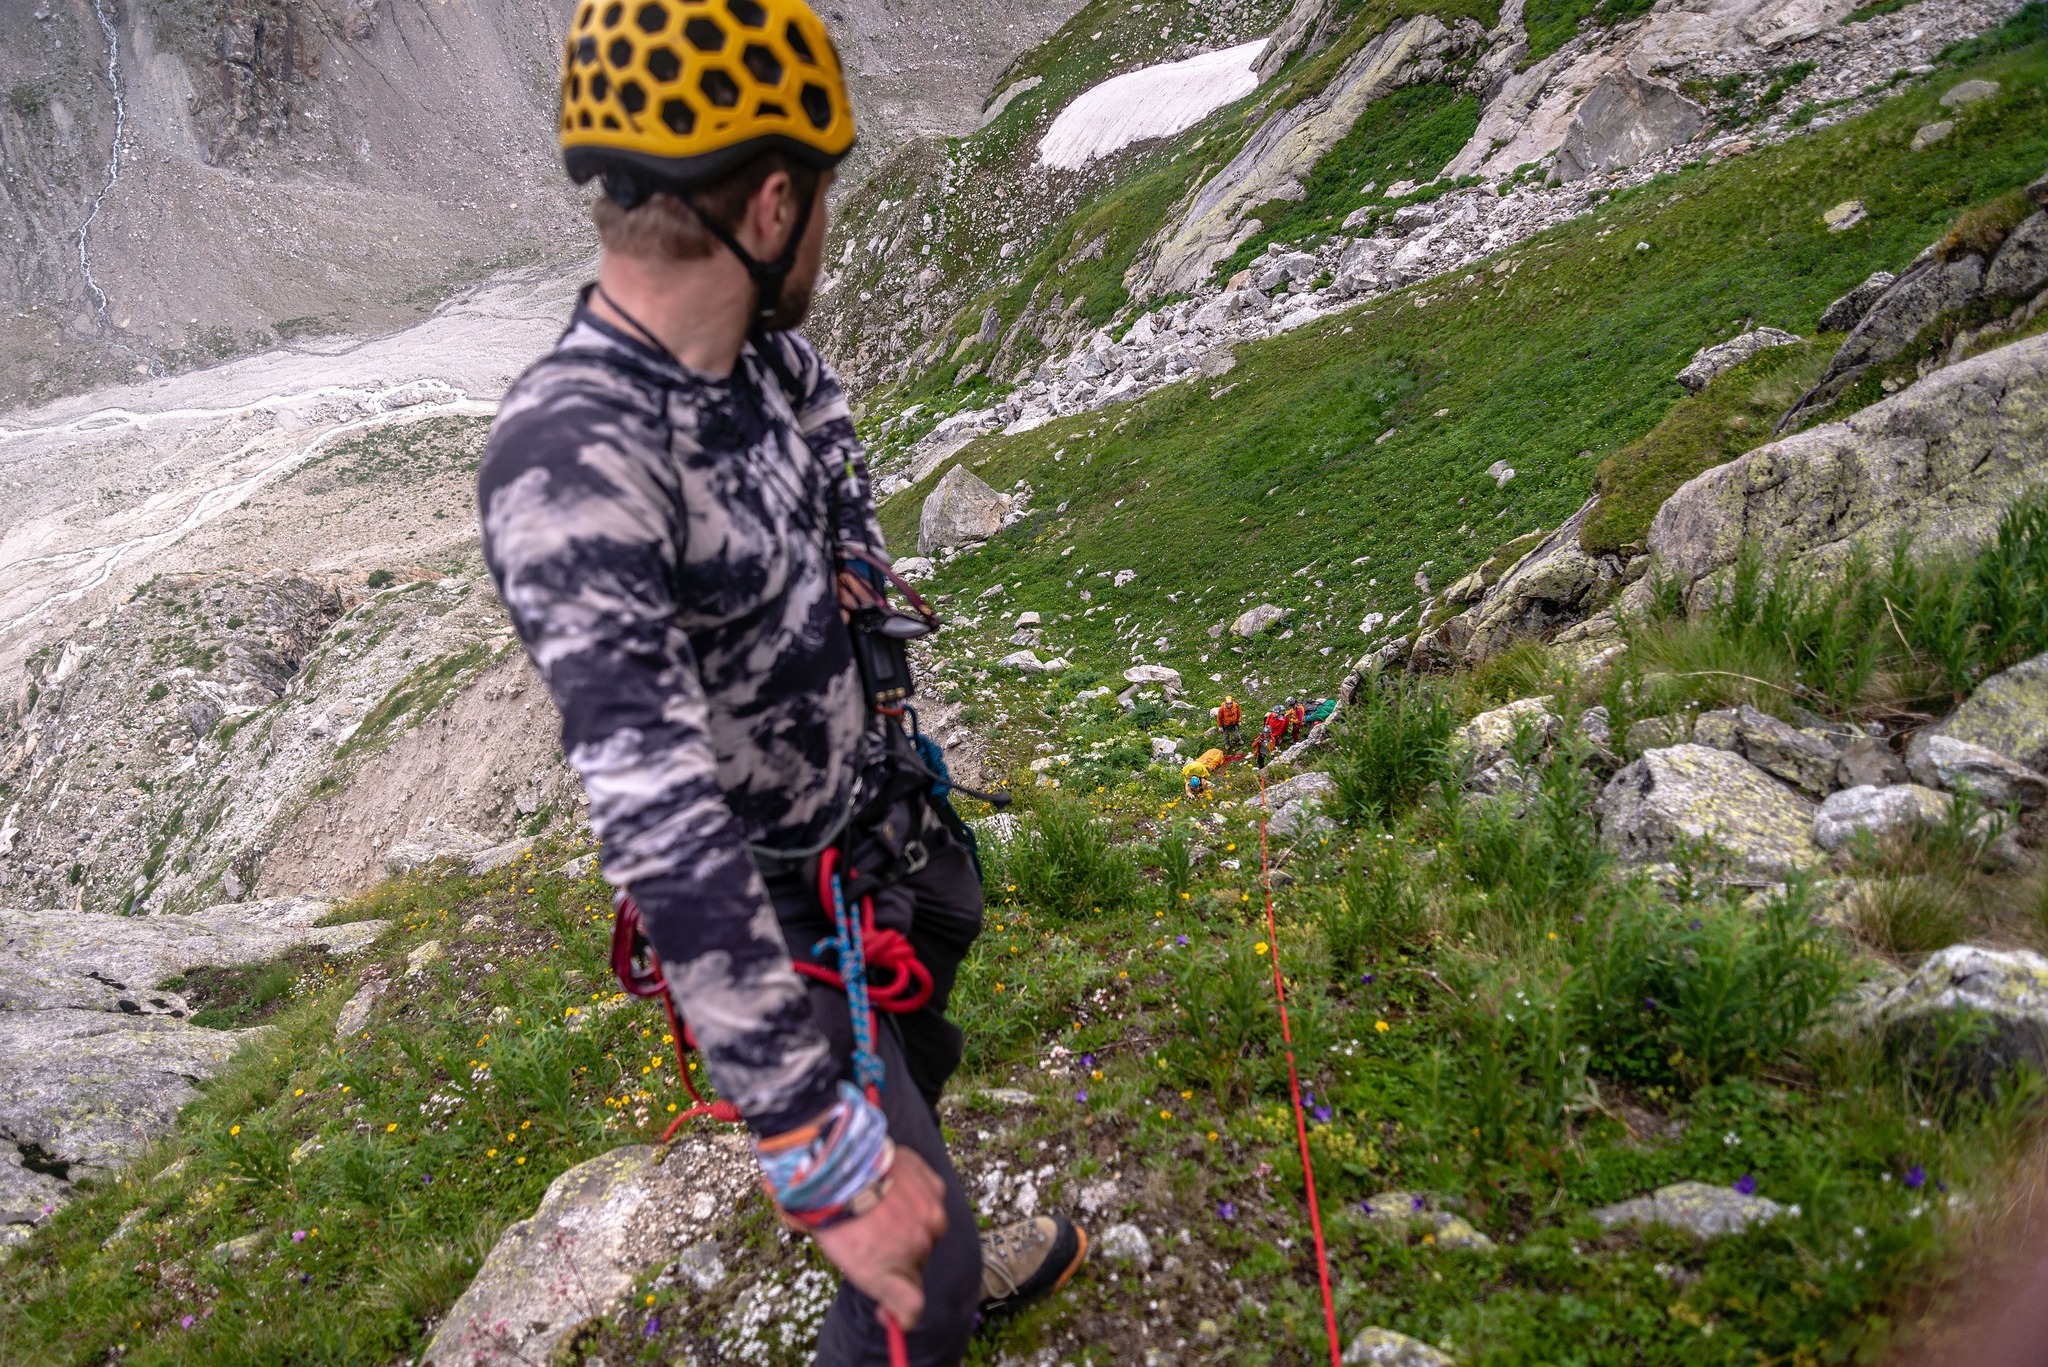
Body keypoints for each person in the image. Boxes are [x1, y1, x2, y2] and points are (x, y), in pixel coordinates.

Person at [477, 4, 1084, 1360]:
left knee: (931, 1004)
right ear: (768, 199)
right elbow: (656, 818)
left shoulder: (772, 361)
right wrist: (823, 1152)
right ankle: (925, 1269)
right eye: (822, 196)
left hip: (882, 843)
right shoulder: (570, 459)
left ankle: (913, 1173)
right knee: (915, 1274)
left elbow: (840, 506)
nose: (830, 229)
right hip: (774, 913)